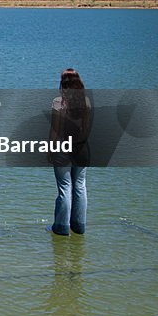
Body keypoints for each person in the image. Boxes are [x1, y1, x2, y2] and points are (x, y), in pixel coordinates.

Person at [49, 68, 91, 235]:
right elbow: (87, 129)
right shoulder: (86, 102)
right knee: (80, 187)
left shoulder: (58, 103)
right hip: (81, 148)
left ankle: (61, 228)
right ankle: (79, 226)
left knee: (65, 187)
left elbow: (55, 130)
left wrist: (51, 149)